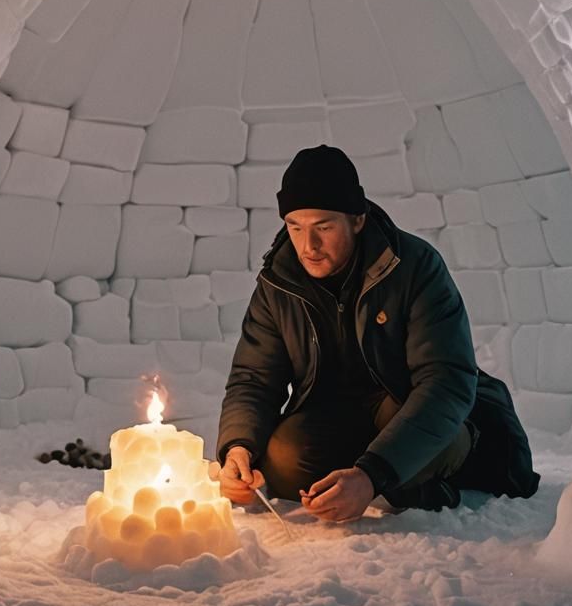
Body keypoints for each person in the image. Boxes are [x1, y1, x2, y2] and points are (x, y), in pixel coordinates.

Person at [216, 145, 539, 522]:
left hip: (417, 411)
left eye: (324, 227)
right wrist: (238, 448)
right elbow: (254, 378)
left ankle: (404, 481)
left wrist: (371, 476)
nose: (308, 246)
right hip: (335, 415)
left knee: (424, 452)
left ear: (357, 220)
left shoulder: (415, 266)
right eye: (295, 227)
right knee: (282, 462)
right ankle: (382, 481)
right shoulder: (279, 281)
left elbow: (445, 382)